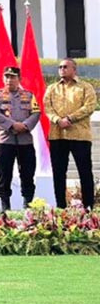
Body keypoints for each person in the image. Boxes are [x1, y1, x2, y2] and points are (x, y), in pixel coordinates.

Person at [43, 58, 97, 210]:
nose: (62, 69)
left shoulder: (85, 87)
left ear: (74, 69)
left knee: (85, 172)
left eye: (66, 67)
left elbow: (90, 106)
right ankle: (61, 207)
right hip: (57, 135)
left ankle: (88, 207)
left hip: (80, 136)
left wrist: (70, 118)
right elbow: (47, 107)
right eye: (60, 67)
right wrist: (57, 120)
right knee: (59, 173)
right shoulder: (52, 88)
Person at [0, 66, 41, 212]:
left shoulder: (29, 96)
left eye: (12, 77)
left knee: (28, 173)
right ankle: (5, 205)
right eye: (6, 77)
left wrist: (25, 125)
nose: (9, 80)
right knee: (4, 174)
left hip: (25, 140)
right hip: (6, 140)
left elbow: (36, 112)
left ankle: (28, 204)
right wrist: (13, 125)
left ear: (19, 79)